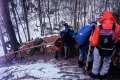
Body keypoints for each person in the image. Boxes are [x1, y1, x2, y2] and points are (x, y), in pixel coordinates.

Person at [89, 10, 120, 79]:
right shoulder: (117, 27)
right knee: (107, 61)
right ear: (112, 17)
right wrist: (115, 41)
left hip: (99, 48)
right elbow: (118, 37)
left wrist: (91, 40)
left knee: (97, 61)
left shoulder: (99, 27)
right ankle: (103, 75)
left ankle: (94, 74)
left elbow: (94, 42)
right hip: (110, 48)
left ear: (103, 17)